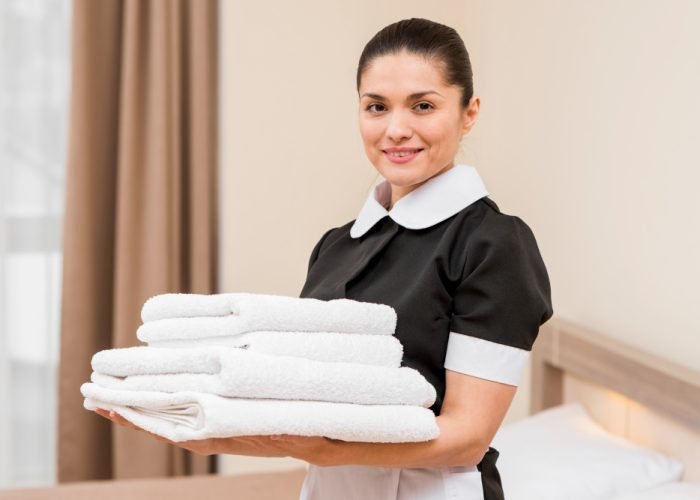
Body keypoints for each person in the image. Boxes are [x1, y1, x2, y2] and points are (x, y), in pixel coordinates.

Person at [97, 17, 553, 500]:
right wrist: (203, 430)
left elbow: (467, 436)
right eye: (376, 107)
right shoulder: (338, 246)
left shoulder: (492, 243)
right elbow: (310, 418)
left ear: (468, 113)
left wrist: (331, 452)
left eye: (423, 105)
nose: (396, 129)